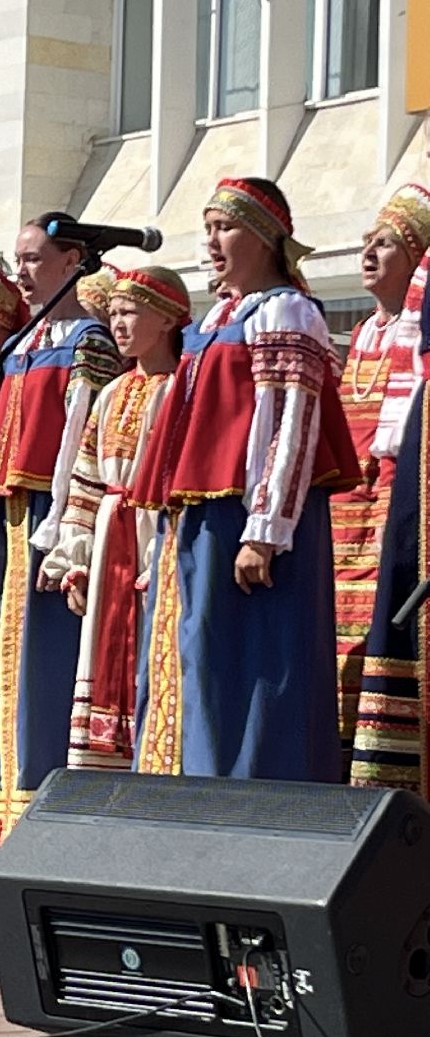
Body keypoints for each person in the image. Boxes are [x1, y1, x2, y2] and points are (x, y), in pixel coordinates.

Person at [131, 177, 359, 781]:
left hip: (249, 518)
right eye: (207, 229)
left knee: (257, 664)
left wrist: (266, 527)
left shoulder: (287, 311)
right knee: (204, 663)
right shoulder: (222, 317)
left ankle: (259, 798)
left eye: (224, 228)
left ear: (263, 237)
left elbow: (290, 423)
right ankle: (204, 792)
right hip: (207, 516)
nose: (212, 242)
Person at [0, 213, 122, 841]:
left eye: (35, 259)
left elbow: (78, 441)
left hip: (45, 517)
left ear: (73, 261)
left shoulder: (86, 342)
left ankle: (45, 813)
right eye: (19, 259)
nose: (22, 272)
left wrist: (66, 531)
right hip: (3, 514)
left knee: (42, 667)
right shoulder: (22, 344)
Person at [42, 268, 188, 770]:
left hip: (151, 532)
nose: (118, 323)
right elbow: (84, 480)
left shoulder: (181, 389)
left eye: (130, 312)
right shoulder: (112, 393)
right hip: (110, 535)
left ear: (168, 318)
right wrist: (75, 561)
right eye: (115, 313)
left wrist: (163, 557)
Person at [332, 185, 429, 772]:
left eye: (385, 243)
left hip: (392, 497)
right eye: (366, 243)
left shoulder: (413, 335)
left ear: (417, 256)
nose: (368, 254)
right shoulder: (364, 332)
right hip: (347, 508)